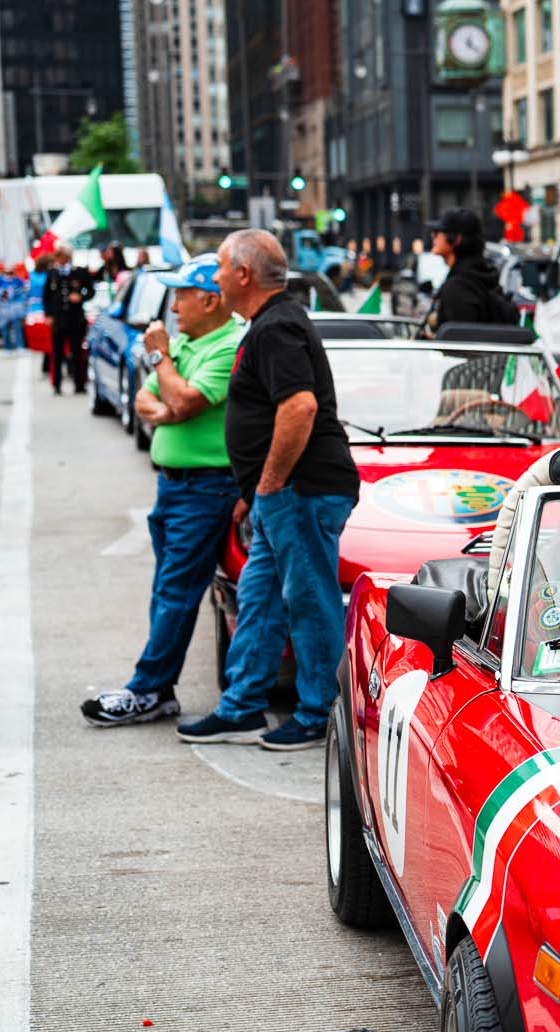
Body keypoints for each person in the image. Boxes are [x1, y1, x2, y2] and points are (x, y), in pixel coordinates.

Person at [177, 230, 359, 752]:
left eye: (218, 267)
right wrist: (256, 488)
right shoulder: (269, 325)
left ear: (243, 275)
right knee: (257, 598)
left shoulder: (276, 328)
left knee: (309, 600)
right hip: (279, 494)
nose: (212, 278)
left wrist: (272, 481)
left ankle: (319, 712)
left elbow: (298, 407)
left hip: (300, 491)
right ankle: (241, 707)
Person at [81, 254, 246, 727]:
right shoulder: (189, 346)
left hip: (206, 488)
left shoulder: (224, 344)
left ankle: (147, 688)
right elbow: (146, 399)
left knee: (176, 590)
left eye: (181, 296)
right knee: (165, 589)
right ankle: (160, 688)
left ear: (209, 299)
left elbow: (184, 398)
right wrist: (173, 402)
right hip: (173, 487)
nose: (173, 308)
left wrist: (162, 364)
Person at [423, 208, 514, 335]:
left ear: (456, 239)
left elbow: (462, 345)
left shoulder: (458, 287)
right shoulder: (480, 277)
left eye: (438, 232)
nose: (433, 236)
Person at [43, 254, 93, 395]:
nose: (58, 258)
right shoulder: (52, 273)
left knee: (76, 353)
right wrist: (48, 315)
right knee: (57, 354)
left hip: (75, 319)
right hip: (58, 320)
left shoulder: (79, 272)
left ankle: (79, 385)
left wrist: (81, 297)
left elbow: (91, 290)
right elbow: (46, 296)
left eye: (61, 255)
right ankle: (56, 385)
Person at [0, 269, 28, 352]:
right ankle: (7, 347)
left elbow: (24, 289)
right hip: (3, 310)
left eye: (10, 273)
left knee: (17, 328)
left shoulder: (17, 281)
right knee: (5, 329)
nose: (9, 275)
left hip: (15, 310)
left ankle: (20, 346)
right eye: (7, 273)